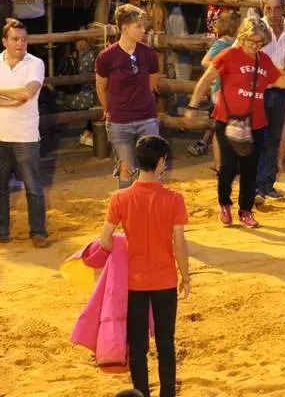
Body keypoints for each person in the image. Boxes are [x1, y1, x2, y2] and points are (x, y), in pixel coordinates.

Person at [99, 135, 190, 397]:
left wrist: (120, 253)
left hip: (133, 283)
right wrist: (185, 277)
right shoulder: (174, 198)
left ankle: (141, 394)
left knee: (138, 346)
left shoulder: (120, 198)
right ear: (160, 162)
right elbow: (179, 243)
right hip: (165, 280)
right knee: (166, 344)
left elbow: (105, 240)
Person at [185, 17, 285, 229]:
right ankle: (224, 203)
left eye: (260, 42)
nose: (256, 45)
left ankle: (246, 210)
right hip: (228, 120)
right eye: (252, 40)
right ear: (242, 37)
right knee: (228, 167)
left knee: (250, 169)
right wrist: (193, 106)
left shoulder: (264, 60)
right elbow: (206, 79)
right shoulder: (229, 55)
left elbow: (282, 81)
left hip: (255, 123)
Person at [95, 4, 160, 189]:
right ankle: (126, 204)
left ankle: (149, 203)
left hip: (146, 117)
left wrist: (142, 97)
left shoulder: (148, 53)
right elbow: (101, 86)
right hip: (119, 121)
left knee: (151, 167)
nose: (143, 30)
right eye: (138, 26)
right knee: (126, 168)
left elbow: (153, 80)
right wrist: (108, 109)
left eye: (143, 26)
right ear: (125, 28)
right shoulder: (106, 56)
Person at [0, 18, 48, 248]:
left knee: (33, 187)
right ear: (4, 41)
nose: (20, 44)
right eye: (15, 39)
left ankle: (38, 232)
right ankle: (2, 232)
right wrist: (14, 98)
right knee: (0, 188)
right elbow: (20, 95)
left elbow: (27, 93)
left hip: (25, 136)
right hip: (0, 135)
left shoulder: (35, 63)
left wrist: (6, 95)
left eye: (24, 39)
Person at [186, 9, 242, 174]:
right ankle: (219, 165)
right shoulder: (222, 43)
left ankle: (225, 163)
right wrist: (222, 69)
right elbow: (206, 61)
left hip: (231, 90)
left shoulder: (235, 42)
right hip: (220, 90)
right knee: (221, 129)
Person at [256, 0, 285, 202]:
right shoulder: (256, 28)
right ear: (262, 9)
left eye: (277, 8)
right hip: (259, 92)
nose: (272, 13)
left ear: (283, 9)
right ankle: (256, 186)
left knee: (274, 139)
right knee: (259, 138)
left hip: (281, 92)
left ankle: (267, 185)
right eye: (268, 9)